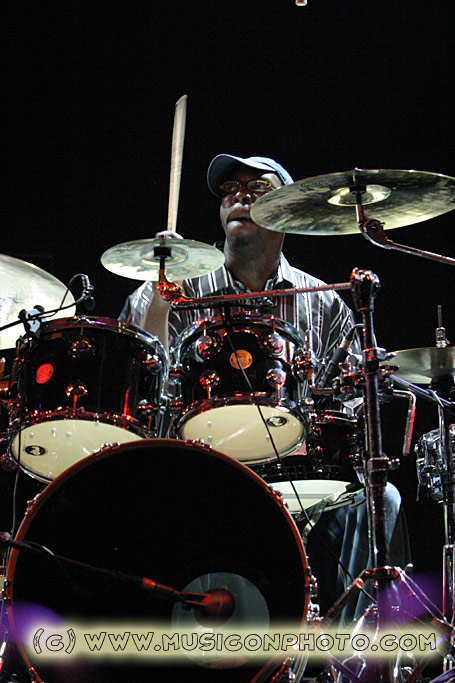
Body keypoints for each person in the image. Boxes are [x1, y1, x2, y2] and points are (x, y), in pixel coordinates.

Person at [120, 153, 410, 625]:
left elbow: (355, 401)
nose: (239, 196)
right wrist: (159, 291)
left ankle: (336, 654)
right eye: (230, 189)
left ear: (287, 209)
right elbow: (140, 375)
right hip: (201, 470)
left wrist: (319, 433)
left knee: (382, 500)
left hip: (298, 476)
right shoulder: (178, 285)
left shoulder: (321, 301)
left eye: (257, 188)